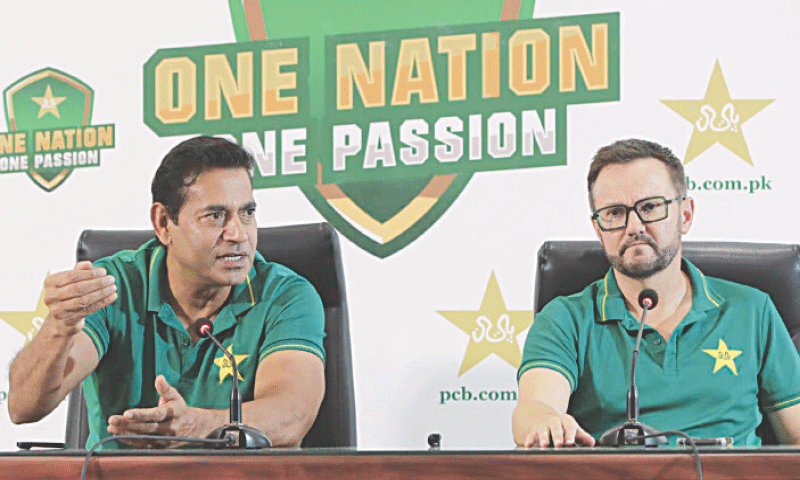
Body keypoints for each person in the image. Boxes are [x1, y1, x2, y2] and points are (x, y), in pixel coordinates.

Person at [8, 136, 326, 449]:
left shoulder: (285, 296)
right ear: (163, 223)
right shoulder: (113, 287)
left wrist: (195, 427)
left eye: (247, 213)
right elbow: (23, 407)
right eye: (215, 216)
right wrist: (59, 327)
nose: (238, 234)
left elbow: (291, 415)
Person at [512, 138, 800, 448]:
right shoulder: (564, 319)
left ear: (685, 215)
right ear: (598, 230)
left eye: (649, 207)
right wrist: (546, 422)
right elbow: (534, 408)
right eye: (614, 213)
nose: (634, 226)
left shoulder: (753, 310)